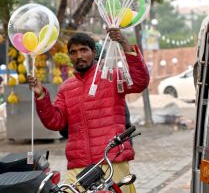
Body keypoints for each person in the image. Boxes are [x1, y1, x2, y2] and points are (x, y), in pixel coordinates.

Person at [27, 28, 150, 193]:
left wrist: (125, 45)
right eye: (73, 52)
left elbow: (140, 81)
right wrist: (41, 95)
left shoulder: (111, 76)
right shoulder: (65, 88)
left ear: (93, 52)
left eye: (83, 50)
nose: (79, 56)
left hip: (111, 160)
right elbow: (55, 122)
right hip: (78, 165)